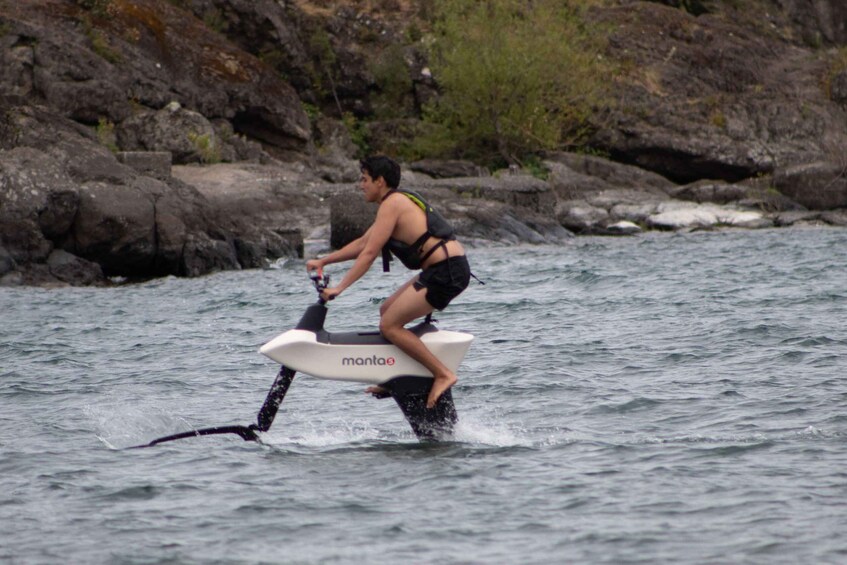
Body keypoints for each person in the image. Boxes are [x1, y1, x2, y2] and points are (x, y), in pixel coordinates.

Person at [306, 155, 471, 408]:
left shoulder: (392, 203)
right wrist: (323, 261)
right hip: (442, 269)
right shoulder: (393, 203)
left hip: (447, 270)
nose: (361, 185)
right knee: (386, 312)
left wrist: (339, 288)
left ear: (380, 181)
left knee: (390, 325)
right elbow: (363, 244)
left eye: (364, 179)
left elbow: (370, 254)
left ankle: (443, 374)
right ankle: (397, 375)